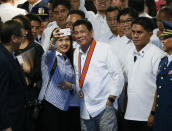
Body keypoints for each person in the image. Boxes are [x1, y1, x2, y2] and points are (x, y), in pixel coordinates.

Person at [73, 19, 124, 131]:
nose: (79, 35)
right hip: (85, 108)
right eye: (76, 33)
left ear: (91, 32)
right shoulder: (76, 51)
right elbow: (78, 74)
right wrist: (78, 88)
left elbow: (118, 75)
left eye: (82, 31)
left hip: (103, 106)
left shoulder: (104, 48)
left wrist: (111, 99)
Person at [122, 17, 165, 131]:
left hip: (148, 116)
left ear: (150, 34)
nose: (135, 36)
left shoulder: (158, 55)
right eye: (133, 32)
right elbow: (127, 84)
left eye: (139, 32)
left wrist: (153, 112)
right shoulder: (128, 54)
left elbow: (160, 88)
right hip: (129, 115)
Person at [38, 28, 77, 131]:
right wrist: (53, 40)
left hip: (65, 107)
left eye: (67, 40)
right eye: (60, 40)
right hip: (49, 105)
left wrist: (71, 86)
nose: (64, 43)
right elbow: (48, 53)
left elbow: (74, 86)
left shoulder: (69, 60)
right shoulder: (51, 57)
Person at [12, 15, 44, 131]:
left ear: (25, 31)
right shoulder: (8, 48)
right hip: (12, 100)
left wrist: (27, 71)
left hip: (29, 100)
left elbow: (39, 73)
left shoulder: (36, 48)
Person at [0, 20, 26, 131]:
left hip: (17, 117)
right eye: (22, 37)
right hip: (10, 121)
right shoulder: (2, 60)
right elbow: (1, 96)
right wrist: (6, 125)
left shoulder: (10, 54)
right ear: (14, 38)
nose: (23, 41)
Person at [152, 20, 172, 131]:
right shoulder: (163, 61)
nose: (162, 40)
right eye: (162, 37)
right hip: (160, 118)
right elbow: (158, 89)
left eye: (166, 37)